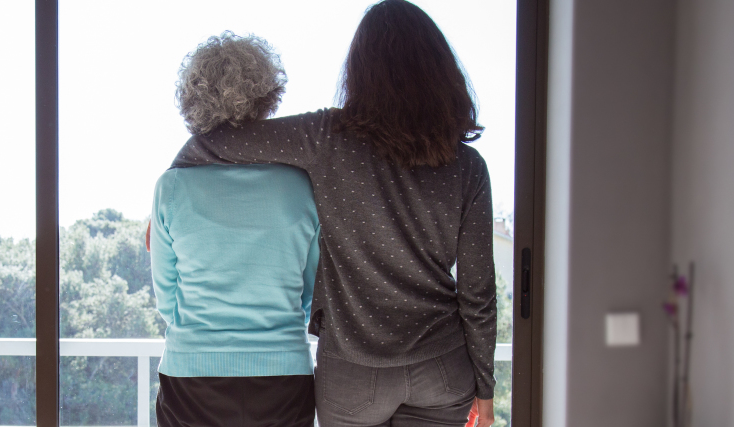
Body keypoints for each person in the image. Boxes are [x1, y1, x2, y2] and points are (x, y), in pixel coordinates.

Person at [170, 1, 498, 426]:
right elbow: (478, 295)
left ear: (359, 70)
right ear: (440, 71)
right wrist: (486, 390)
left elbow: (216, 142)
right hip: (441, 368)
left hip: (353, 374)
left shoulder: (326, 137)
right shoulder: (467, 165)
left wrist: (171, 186)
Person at [147, 32, 319, 427]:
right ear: (265, 96)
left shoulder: (171, 187)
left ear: (193, 100)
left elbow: (168, 299)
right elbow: (308, 293)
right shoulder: (300, 185)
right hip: (283, 372)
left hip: (191, 372)